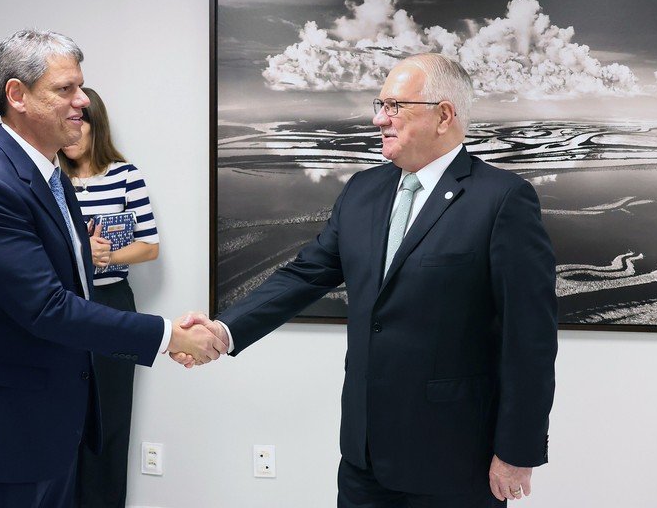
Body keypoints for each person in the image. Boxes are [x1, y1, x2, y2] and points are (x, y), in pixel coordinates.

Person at [183, 54, 558, 507]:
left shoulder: (502, 199)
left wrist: (517, 450)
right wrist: (224, 331)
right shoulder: (362, 190)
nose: (380, 118)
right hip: (363, 458)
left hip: (456, 458)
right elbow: (305, 273)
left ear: (444, 115)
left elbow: (530, 338)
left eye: (395, 106)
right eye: (379, 104)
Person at [0, 28, 224, 508]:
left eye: (80, 87)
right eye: (65, 89)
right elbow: (47, 307)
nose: (82, 101)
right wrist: (170, 336)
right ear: (16, 95)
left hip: (45, 421)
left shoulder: (48, 177)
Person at [59, 87, 159, 508]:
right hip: (61, 305)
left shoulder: (125, 174)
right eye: (66, 123)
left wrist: (107, 255)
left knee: (112, 415)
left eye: (79, 123)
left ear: (95, 125)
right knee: (62, 414)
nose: (71, 133)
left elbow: (150, 246)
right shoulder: (47, 176)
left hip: (112, 301)